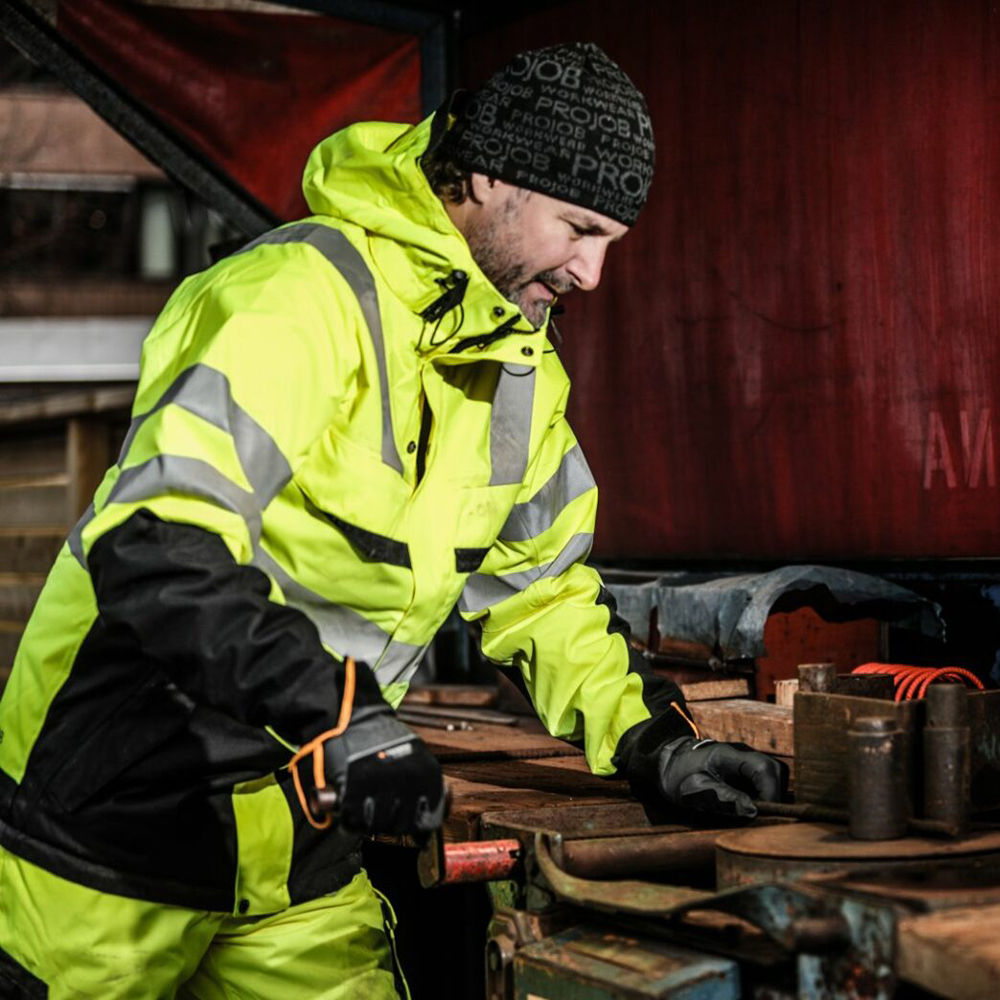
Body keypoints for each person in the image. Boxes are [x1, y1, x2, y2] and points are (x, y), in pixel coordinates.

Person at [0, 42, 782, 998]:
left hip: (301, 849)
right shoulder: (297, 297)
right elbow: (159, 544)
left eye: (612, 241)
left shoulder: (521, 377)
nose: (593, 272)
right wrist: (337, 711)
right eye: (580, 229)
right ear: (491, 176)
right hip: (108, 839)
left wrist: (655, 743)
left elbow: (543, 596)